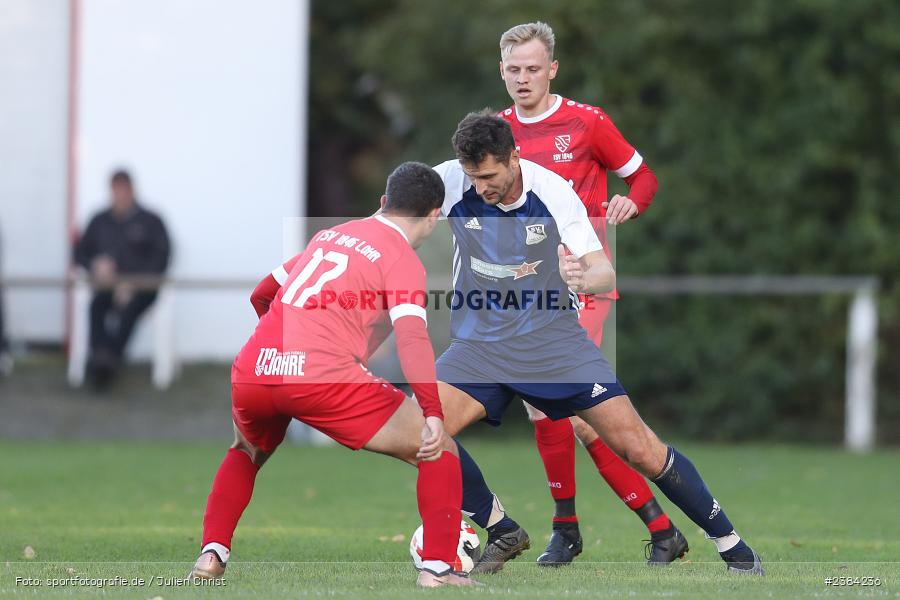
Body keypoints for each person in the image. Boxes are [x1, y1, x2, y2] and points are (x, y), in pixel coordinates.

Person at [433, 112, 763, 575]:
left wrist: (583, 276)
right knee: (422, 433)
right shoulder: (448, 181)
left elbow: (604, 270)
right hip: (479, 345)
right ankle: (501, 526)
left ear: (514, 157)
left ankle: (736, 549)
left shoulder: (552, 192)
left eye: (489, 175)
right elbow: (389, 219)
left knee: (639, 448)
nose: (481, 186)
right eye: (472, 176)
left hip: (551, 343)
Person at [190, 162, 478, 588]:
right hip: (323, 376)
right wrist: (432, 412)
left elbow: (262, 292)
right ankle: (437, 569)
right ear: (435, 216)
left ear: (383, 202)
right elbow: (413, 339)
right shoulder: (402, 259)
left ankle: (210, 556)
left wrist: (280, 348)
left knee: (245, 452)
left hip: (255, 367)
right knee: (439, 450)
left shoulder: (329, 236)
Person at [493, 21, 685, 566]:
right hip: (526, 288)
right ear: (501, 71)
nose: (523, 78)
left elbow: (643, 177)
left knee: (556, 409)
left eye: (533, 68)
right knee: (564, 414)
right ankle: (659, 529)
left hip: (583, 284)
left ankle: (569, 529)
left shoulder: (586, 122)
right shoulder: (496, 130)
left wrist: (632, 203)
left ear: (552, 69)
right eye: (514, 69)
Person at [73, 170, 170, 386]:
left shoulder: (151, 220)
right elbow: (80, 253)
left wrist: (134, 283)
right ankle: (101, 357)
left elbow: (162, 257)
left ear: (132, 191)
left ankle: (109, 360)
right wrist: (95, 265)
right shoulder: (99, 220)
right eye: (115, 190)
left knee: (129, 311)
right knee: (96, 306)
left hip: (142, 289)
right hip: (107, 287)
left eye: (123, 190)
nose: (119, 195)